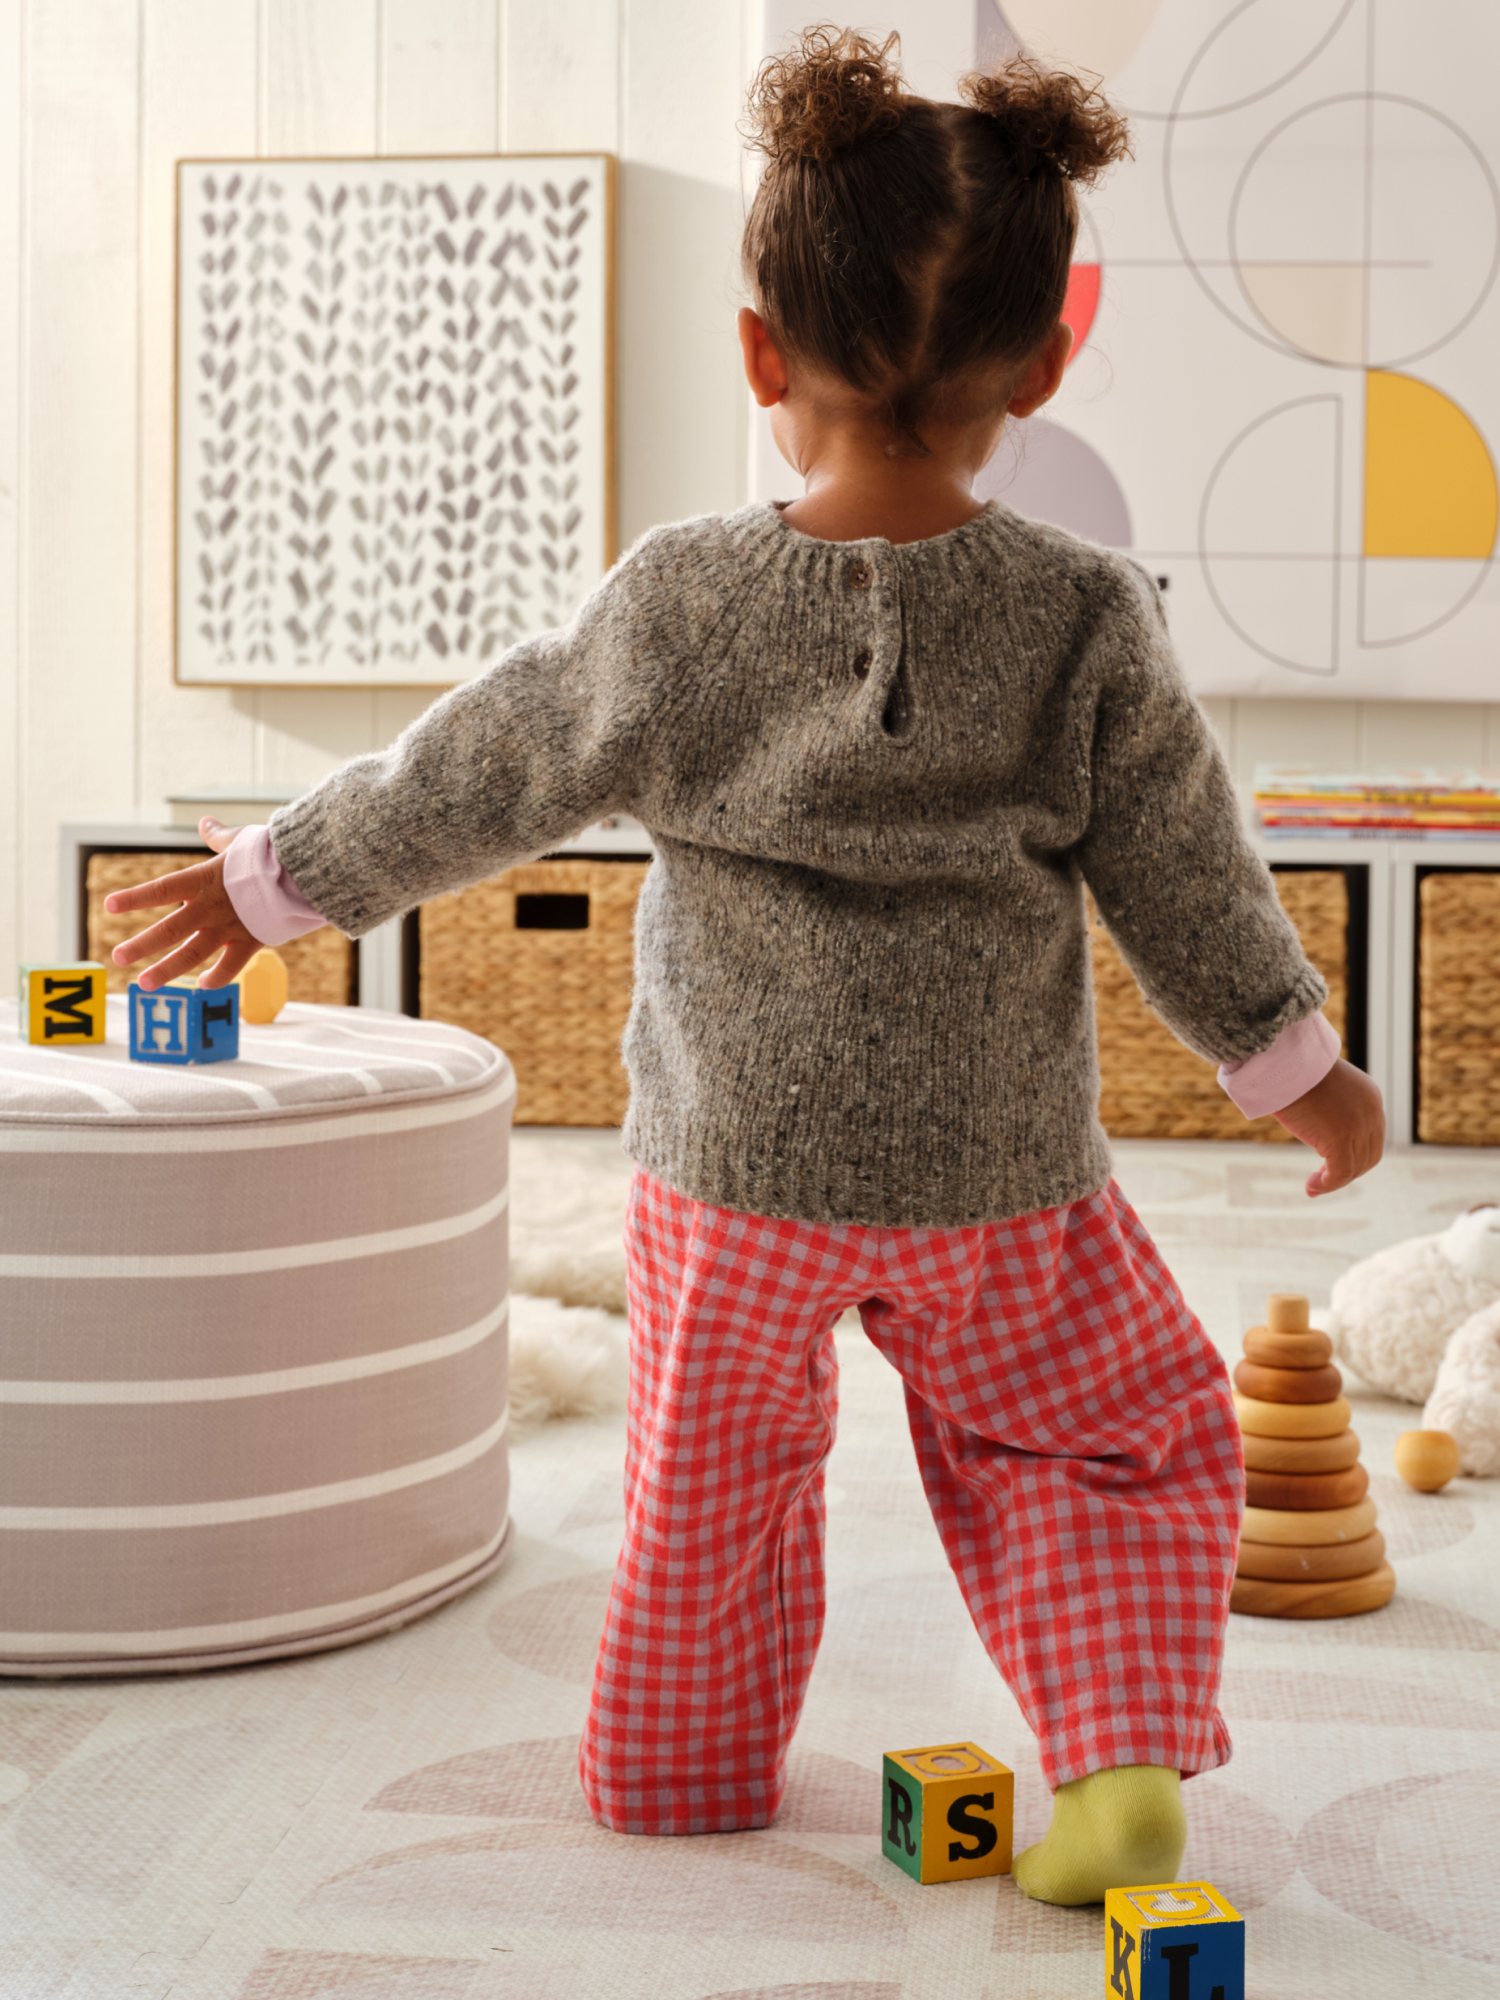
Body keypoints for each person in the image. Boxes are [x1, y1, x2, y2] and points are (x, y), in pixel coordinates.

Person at [108, 29, 1384, 1906]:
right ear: (1046, 364)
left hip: (733, 1174)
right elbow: (1186, 871)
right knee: (1113, 1444)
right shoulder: (1086, 614)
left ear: (760, 356)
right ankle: (1116, 1765)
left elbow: (487, 765)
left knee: (708, 1487)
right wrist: (1299, 1068)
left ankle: (675, 1770)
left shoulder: (682, 600)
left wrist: (276, 881)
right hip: (996, 1174)